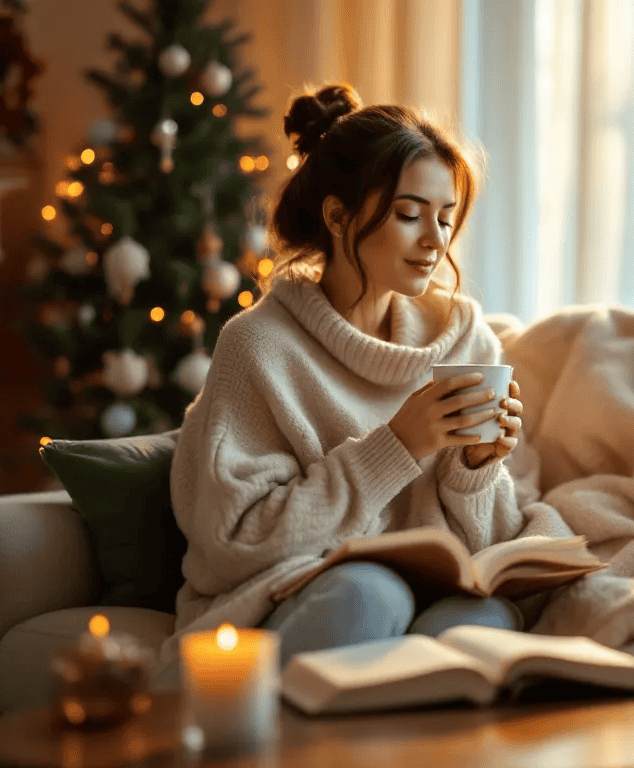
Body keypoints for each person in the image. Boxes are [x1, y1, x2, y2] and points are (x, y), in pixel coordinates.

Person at [167, 83, 572, 667]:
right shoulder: (258, 346)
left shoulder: (467, 339)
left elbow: (488, 548)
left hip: (434, 591)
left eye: (445, 218)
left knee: (481, 618)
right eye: (409, 215)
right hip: (297, 591)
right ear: (337, 216)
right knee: (370, 593)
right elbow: (236, 539)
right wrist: (398, 446)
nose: (435, 240)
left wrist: (476, 470)